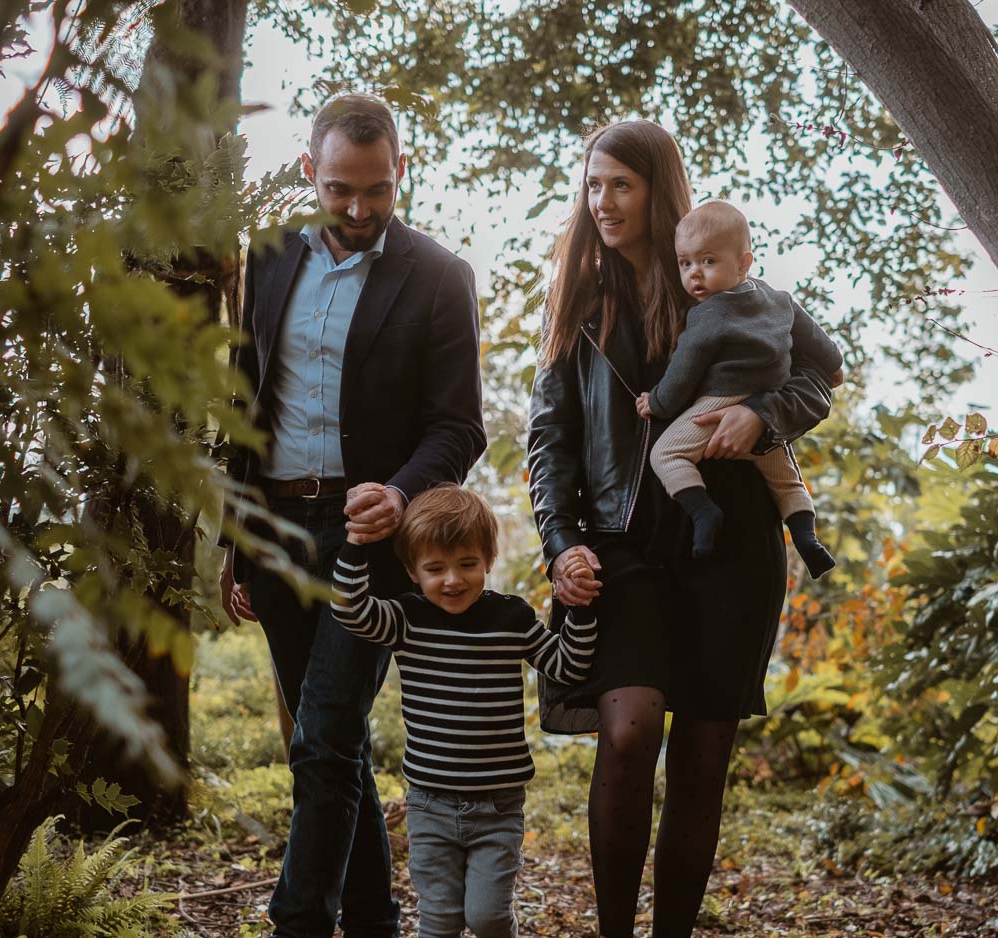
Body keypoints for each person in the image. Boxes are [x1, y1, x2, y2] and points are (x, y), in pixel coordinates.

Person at [527, 120, 842, 937]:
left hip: (729, 540)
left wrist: (764, 415)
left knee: (703, 757)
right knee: (629, 733)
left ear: (659, 191)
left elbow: (822, 373)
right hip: (621, 545)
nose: (602, 201)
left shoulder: (733, 288)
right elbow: (550, 436)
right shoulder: (580, 302)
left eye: (620, 185)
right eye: (592, 184)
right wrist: (562, 544)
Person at [220, 94, 486, 938]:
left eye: (376, 190)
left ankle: (297, 922)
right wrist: (236, 543)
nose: (360, 209)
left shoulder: (441, 276)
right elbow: (245, 403)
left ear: (400, 168)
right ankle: (375, 921)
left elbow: (459, 425)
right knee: (330, 746)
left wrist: (400, 494)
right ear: (310, 173)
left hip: (370, 537)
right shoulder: (262, 261)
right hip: (274, 528)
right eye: (340, 190)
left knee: (325, 729)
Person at [330, 482, 597, 937]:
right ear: (412, 571)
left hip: (498, 804)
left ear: (488, 561)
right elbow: (349, 608)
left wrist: (580, 609)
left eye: (467, 564)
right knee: (440, 921)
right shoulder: (406, 618)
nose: (452, 580)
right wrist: (356, 543)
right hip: (430, 803)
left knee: (488, 917)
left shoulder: (511, 618)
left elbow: (566, 665)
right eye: (435, 568)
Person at [634, 200, 842, 576]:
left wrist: (658, 403)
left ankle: (703, 512)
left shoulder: (707, 315)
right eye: (686, 263)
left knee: (665, 455)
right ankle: (808, 541)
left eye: (708, 261)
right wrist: (834, 368)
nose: (695, 275)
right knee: (784, 478)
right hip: (767, 403)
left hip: (720, 402)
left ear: (743, 263)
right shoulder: (779, 301)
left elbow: (683, 373)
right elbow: (822, 347)